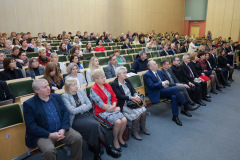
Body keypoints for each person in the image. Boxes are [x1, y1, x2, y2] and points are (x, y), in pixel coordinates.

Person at [23, 79, 82, 160]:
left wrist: (63, 129)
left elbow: (65, 113)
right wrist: (50, 135)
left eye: (48, 85)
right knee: (49, 150)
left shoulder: (56, 97)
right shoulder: (29, 104)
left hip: (61, 129)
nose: (48, 88)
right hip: (44, 134)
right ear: (37, 91)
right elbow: (31, 126)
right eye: (44, 87)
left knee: (77, 138)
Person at [62, 78, 120, 159]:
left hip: (86, 116)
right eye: (73, 85)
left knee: (94, 128)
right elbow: (72, 112)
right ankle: (108, 148)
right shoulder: (65, 96)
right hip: (76, 119)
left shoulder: (81, 91)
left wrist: (78, 108)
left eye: (76, 84)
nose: (76, 86)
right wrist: (83, 106)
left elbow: (89, 105)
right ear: (68, 87)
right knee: (95, 125)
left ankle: (97, 155)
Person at [144, 60, 193, 126]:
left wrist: (165, 83)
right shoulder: (147, 75)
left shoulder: (159, 72)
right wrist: (163, 83)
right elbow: (152, 86)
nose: (157, 65)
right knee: (175, 89)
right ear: (150, 67)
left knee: (174, 97)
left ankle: (175, 116)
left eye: (156, 63)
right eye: (155, 64)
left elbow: (165, 80)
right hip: (156, 92)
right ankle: (185, 104)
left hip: (164, 89)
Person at [90, 69, 127, 151]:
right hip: (100, 112)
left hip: (111, 108)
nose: (104, 79)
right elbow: (101, 105)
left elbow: (114, 97)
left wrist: (114, 105)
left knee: (124, 120)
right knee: (118, 122)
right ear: (96, 80)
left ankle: (120, 137)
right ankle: (115, 140)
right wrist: (114, 108)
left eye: (104, 77)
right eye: (101, 78)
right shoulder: (94, 89)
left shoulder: (106, 85)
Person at [111, 66, 150, 140]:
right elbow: (119, 96)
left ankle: (142, 128)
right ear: (118, 74)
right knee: (137, 114)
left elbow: (133, 90)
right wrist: (131, 97)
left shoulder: (126, 80)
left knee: (144, 110)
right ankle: (134, 132)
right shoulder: (114, 84)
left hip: (132, 101)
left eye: (126, 73)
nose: (126, 74)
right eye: (124, 73)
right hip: (123, 104)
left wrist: (136, 95)